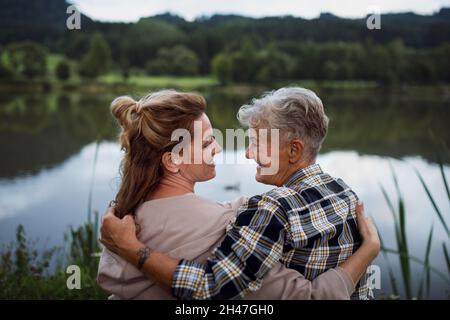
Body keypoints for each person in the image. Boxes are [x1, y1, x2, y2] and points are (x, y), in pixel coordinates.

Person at [98, 88, 380, 300]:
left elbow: (212, 285)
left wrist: (132, 249)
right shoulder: (347, 195)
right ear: (173, 160)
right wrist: (368, 251)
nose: (243, 152)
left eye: (257, 143)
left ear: (294, 150)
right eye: (209, 142)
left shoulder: (123, 216)